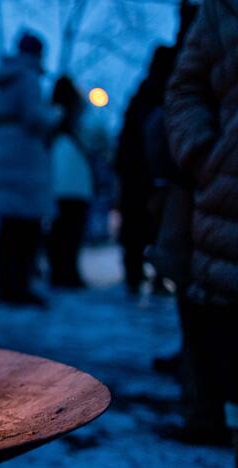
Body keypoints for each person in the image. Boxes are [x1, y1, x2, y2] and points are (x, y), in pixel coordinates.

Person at [164, 0, 238, 450]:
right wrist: (205, 153)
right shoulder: (221, 10)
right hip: (227, 197)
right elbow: (184, 86)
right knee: (214, 323)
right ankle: (206, 414)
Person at [0, 32, 61, 307]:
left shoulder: (5, 79)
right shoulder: (28, 77)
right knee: (25, 226)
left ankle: (6, 284)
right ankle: (20, 286)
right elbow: (33, 116)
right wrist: (54, 116)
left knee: (9, 226)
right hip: (25, 157)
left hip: (4, 154)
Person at [114, 46, 177, 295]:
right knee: (149, 224)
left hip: (136, 172)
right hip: (147, 172)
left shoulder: (142, 96)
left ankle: (137, 273)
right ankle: (145, 274)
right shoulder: (157, 95)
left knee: (139, 226)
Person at [47, 77, 93, 289]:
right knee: (69, 232)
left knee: (61, 232)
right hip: (72, 183)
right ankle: (66, 273)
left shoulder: (53, 120)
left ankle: (62, 272)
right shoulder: (65, 123)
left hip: (61, 183)